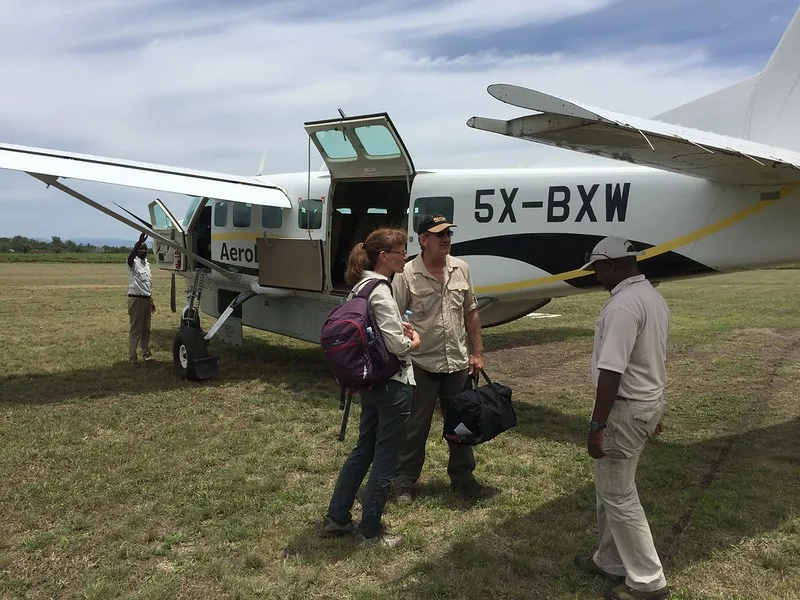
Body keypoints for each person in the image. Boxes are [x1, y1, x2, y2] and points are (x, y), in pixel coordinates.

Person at [574, 236, 671, 600]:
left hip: (625, 409)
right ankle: (611, 560)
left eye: (598, 269)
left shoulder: (622, 306)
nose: (597, 276)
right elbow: (652, 358)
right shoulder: (651, 297)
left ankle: (648, 582)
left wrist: (597, 424)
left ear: (612, 265)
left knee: (618, 494)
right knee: (610, 489)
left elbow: (612, 370)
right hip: (645, 403)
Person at [321, 227, 421, 548]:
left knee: (363, 449)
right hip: (393, 385)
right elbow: (396, 344)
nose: (405, 256)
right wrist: (413, 340)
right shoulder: (382, 289)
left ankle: (337, 517)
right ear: (384, 256)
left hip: (370, 383)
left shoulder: (360, 287)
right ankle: (370, 531)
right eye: (401, 251)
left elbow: (374, 330)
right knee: (385, 457)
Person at [391, 214, 487, 502]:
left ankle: (463, 477)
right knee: (414, 426)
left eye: (448, 234)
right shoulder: (406, 274)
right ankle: (404, 480)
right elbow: (394, 319)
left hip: (456, 363)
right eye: (439, 235)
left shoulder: (462, 269)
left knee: (461, 424)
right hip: (422, 364)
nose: (446, 239)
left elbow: (471, 311)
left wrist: (478, 352)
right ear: (423, 240)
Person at [127, 232, 156, 363]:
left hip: (146, 300)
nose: (142, 250)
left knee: (146, 329)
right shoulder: (133, 263)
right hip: (136, 300)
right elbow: (131, 256)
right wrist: (138, 242)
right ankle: (132, 357)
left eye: (144, 248)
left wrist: (151, 300)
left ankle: (146, 353)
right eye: (140, 248)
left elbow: (147, 284)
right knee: (136, 330)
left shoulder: (147, 265)